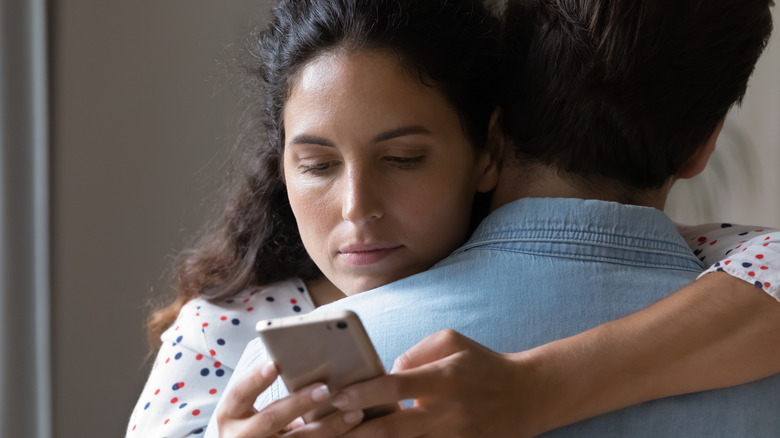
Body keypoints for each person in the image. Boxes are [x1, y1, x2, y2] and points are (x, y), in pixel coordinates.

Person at [209, 0, 780, 436]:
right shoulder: (752, 299)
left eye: (404, 158)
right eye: (317, 164)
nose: (357, 207)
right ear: (702, 148)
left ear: (491, 138)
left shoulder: (281, 392)